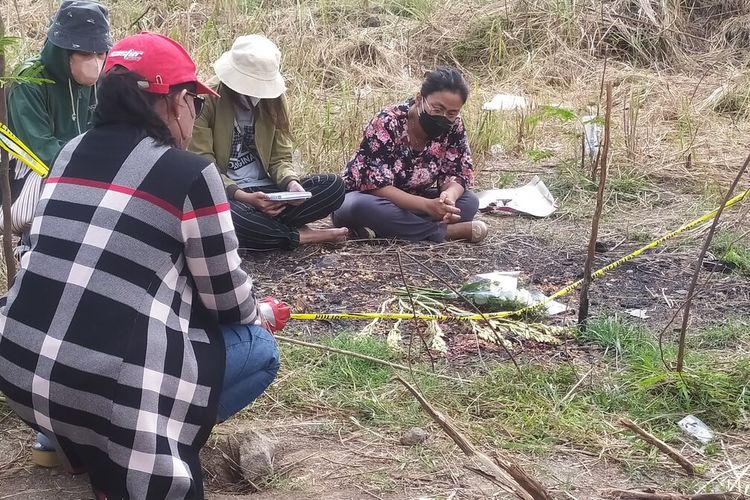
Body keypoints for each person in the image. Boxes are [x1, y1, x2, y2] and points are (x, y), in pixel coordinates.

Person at [0, 32, 289, 499]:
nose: (194, 111)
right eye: (193, 99)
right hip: (106, 390)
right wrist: (262, 313)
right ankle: (135, 450)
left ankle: (66, 439)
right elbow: (228, 300)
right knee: (256, 347)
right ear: (176, 102)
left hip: (22, 372)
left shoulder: (69, 153)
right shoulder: (191, 174)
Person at [190, 34, 347, 250]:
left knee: (334, 186)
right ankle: (300, 236)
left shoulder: (274, 100)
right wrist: (245, 197)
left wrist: (291, 184)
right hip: (232, 194)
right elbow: (203, 162)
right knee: (233, 217)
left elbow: (280, 158)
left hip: (269, 191)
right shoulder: (207, 98)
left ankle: (264, 230)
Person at [332, 66, 488, 243]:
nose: (444, 117)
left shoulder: (454, 126)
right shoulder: (387, 121)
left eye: (452, 113)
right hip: (369, 198)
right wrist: (427, 206)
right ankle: (443, 232)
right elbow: (377, 187)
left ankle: (386, 229)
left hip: (413, 202)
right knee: (359, 206)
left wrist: (448, 198)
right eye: (437, 109)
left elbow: (457, 173)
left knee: (469, 201)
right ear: (420, 99)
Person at [2, 0, 112, 238]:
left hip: (88, 175)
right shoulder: (30, 81)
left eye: (100, 53)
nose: (95, 61)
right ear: (63, 51)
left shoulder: (99, 82)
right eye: (84, 53)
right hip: (38, 179)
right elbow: (41, 148)